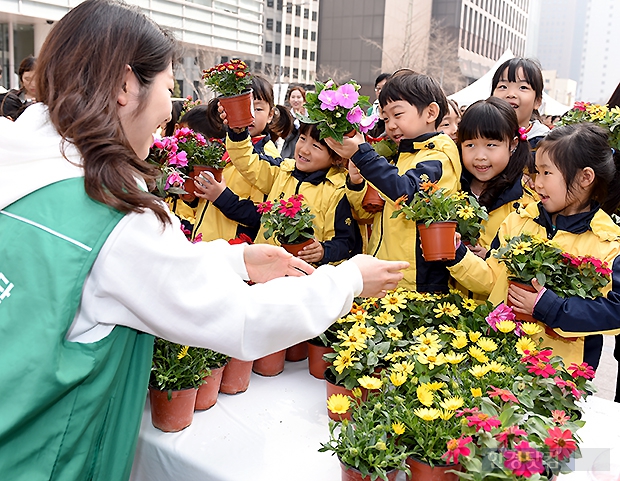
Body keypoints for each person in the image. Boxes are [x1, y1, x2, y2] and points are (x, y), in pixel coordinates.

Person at [0, 1, 408, 478]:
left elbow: (125, 275)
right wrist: (348, 280)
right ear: (126, 86)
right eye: (169, 90)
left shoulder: (20, 163)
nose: (166, 112)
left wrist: (236, 263)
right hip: (44, 458)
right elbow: (240, 319)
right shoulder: (112, 211)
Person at [447, 122, 620, 370]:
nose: (537, 183)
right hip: (501, 362)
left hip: (559, 377)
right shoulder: (519, 220)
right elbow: (491, 280)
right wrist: (458, 256)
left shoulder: (608, 243)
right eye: (536, 172)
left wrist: (549, 307)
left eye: (546, 173)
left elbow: (615, 311)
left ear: (585, 177)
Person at [326, 71, 462, 291]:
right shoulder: (403, 155)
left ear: (431, 112)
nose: (390, 125)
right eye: (386, 118)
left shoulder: (438, 154)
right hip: (389, 275)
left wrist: (363, 155)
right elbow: (368, 213)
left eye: (397, 114)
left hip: (415, 283)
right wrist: (355, 182)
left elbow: (406, 193)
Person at [223, 119, 363, 265]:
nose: (304, 150)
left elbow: (345, 242)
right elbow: (248, 161)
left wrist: (323, 251)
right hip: (263, 270)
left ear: (337, 157)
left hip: (303, 279)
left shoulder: (338, 189)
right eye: (302, 139)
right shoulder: (281, 170)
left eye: (316, 146)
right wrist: (237, 132)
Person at [192, 75, 285, 242]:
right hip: (205, 244)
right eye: (241, 106)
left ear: (270, 114)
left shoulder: (268, 157)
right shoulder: (220, 148)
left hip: (232, 252)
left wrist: (222, 197)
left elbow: (260, 216)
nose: (249, 114)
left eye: (258, 109)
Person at [457, 97, 537, 258]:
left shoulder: (526, 202)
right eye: (470, 145)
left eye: (491, 145)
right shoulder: (452, 187)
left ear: (512, 145)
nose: (480, 156)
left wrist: (491, 256)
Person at [491, 57, 549, 164]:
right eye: (503, 86)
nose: (511, 94)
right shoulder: (477, 134)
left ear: (537, 101)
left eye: (523, 87)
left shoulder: (545, 144)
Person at [280, 85, 307, 158]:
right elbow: (285, 136)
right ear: (289, 100)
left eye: (298, 97)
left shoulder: (309, 116)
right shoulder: (287, 116)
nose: (295, 100)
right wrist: (296, 125)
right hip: (289, 153)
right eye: (293, 97)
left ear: (304, 99)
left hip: (305, 154)